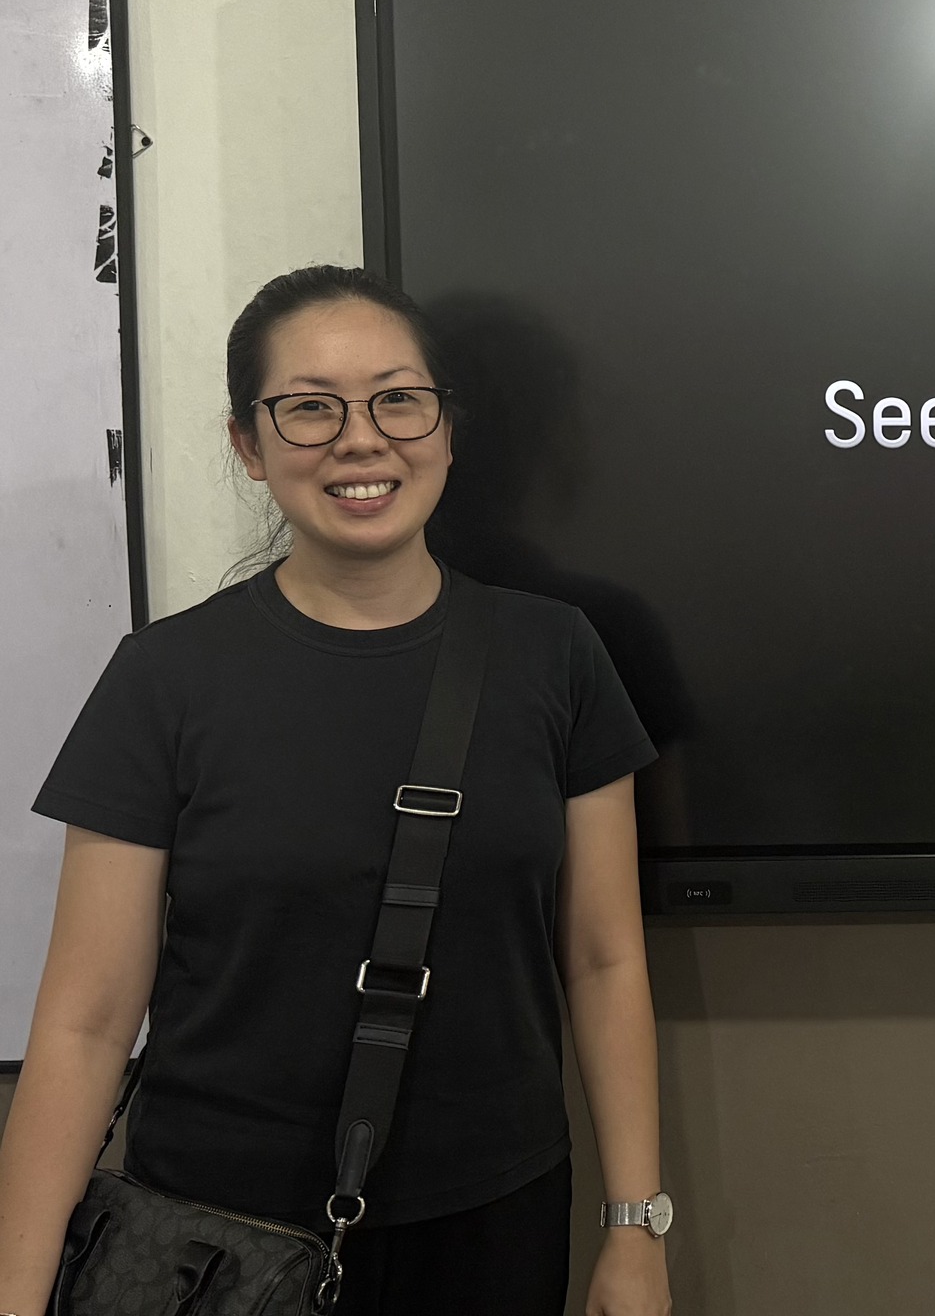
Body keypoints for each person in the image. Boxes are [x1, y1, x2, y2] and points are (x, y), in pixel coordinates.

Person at [0, 266, 674, 1316]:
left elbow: (602, 957)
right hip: (213, 1242)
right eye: (310, 408)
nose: (362, 440)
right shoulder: (164, 679)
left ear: (446, 427)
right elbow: (86, 1024)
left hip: (494, 1220)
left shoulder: (557, 655)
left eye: (397, 398)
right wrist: (17, 1291)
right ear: (248, 444)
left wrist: (635, 1226)